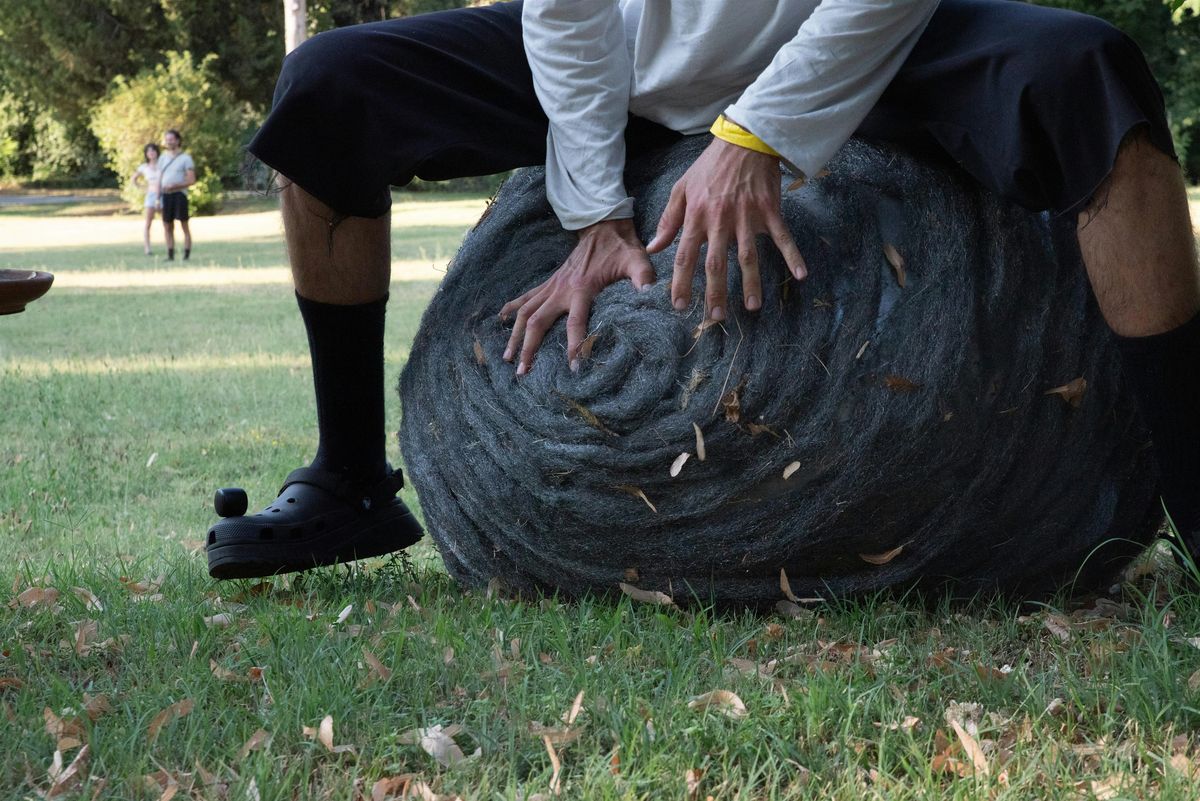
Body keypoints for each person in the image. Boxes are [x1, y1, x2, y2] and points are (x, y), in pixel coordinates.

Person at [205, 0, 1200, 581]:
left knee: (1091, 73)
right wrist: (595, 210)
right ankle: (350, 481)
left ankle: (1195, 497)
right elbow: (566, 9)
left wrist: (758, 133)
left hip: (858, 38)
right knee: (327, 88)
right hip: (636, 63)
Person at [158, 129, 196, 261]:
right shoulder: (162, 158)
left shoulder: (186, 158)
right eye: (167, 139)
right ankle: (170, 254)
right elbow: (159, 178)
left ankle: (186, 254)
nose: (169, 142)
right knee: (167, 225)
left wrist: (175, 186)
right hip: (165, 195)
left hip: (179, 195)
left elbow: (191, 180)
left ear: (178, 141)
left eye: (171, 139)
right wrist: (158, 197)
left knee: (184, 224)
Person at [130, 143, 162, 256]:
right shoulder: (144, 167)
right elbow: (133, 179)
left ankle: (170, 245)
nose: (151, 153)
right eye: (149, 151)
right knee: (148, 223)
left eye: (153, 151)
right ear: (146, 154)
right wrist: (143, 188)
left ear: (157, 152)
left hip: (163, 194)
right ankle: (147, 248)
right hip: (151, 195)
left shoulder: (162, 165)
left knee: (167, 222)